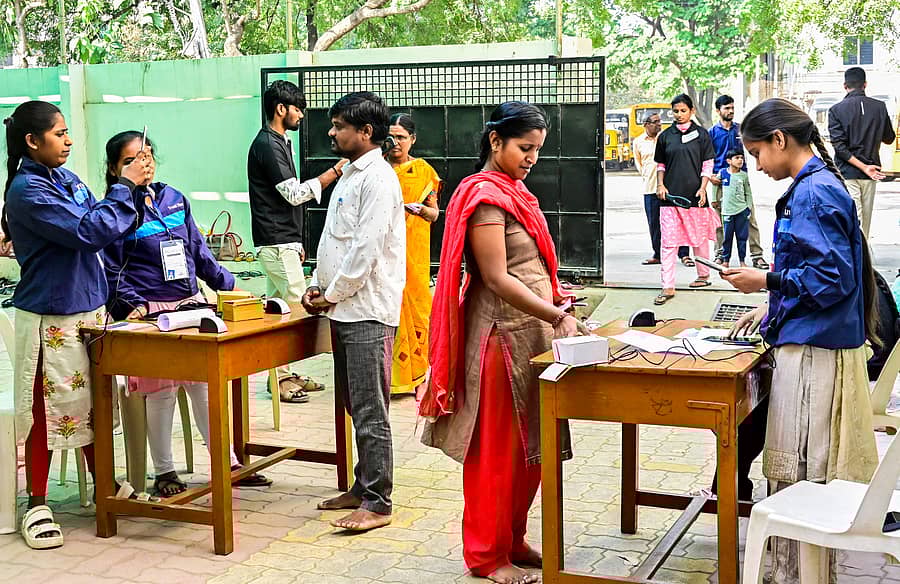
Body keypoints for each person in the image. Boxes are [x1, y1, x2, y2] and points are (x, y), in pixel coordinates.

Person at [420, 101, 589, 584]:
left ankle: (512, 539)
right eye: (524, 147)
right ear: (496, 142)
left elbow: (530, 269)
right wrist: (555, 311)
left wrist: (558, 298)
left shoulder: (517, 193)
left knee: (531, 448)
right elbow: (495, 277)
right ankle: (487, 556)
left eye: (537, 149)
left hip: (532, 334)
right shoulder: (486, 197)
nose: (532, 157)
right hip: (498, 336)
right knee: (496, 452)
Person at [723, 97, 880, 584]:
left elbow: (832, 281)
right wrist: (773, 303)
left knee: (800, 472)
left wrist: (766, 282)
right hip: (812, 340)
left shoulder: (814, 193)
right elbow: (819, 275)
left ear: (779, 140)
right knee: (802, 468)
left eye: (758, 154)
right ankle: (803, 571)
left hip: (816, 351)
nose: (759, 165)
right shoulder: (815, 188)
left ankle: (795, 575)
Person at [2, 101, 152, 549]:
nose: (69, 141)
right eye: (60, 133)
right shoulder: (28, 191)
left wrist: (131, 191)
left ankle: (105, 485)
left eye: (68, 133)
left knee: (94, 405)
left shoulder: (67, 179)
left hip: (90, 308)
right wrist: (123, 187)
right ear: (32, 141)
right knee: (47, 413)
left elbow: (104, 227)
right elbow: (87, 231)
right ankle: (37, 503)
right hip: (52, 313)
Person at [103, 130, 270, 496]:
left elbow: (198, 250)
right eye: (131, 159)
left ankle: (228, 465)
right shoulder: (115, 210)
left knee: (204, 385)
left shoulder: (173, 198)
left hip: (192, 305)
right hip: (150, 313)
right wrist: (132, 306)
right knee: (160, 392)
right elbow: (110, 267)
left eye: (146, 154)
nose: (142, 162)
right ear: (115, 169)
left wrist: (228, 285)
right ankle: (165, 472)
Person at [303, 91, 405, 533]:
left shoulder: (378, 179)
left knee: (369, 407)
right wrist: (316, 284)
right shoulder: (349, 175)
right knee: (353, 401)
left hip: (365, 309)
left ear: (365, 132)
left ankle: (378, 501)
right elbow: (334, 242)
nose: (331, 131)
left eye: (340, 125)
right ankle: (363, 486)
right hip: (343, 308)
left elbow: (365, 250)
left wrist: (332, 294)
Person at [248, 79, 337, 403]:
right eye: (297, 109)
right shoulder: (268, 144)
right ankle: (282, 377)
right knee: (298, 305)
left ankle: (283, 374)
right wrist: (332, 174)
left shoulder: (280, 142)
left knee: (278, 312)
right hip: (274, 240)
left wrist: (298, 241)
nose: (301, 115)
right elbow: (294, 193)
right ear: (281, 109)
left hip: (282, 240)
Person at [384, 113, 441, 394]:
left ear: (413, 140)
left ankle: (419, 376)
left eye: (401, 137)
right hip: (383, 255)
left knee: (418, 311)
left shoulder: (423, 171)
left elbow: (434, 213)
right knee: (388, 310)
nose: (395, 143)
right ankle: (392, 379)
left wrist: (422, 210)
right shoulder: (376, 169)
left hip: (414, 254)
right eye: (391, 137)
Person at [652, 93, 719, 305]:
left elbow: (708, 164)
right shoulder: (665, 136)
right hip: (670, 198)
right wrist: (660, 185)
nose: (679, 115)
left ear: (692, 111)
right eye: (675, 111)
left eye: (683, 111)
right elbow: (660, 165)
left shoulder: (702, 134)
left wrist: (703, 188)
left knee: (699, 239)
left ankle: (703, 276)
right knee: (669, 243)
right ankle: (668, 286)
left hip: (695, 197)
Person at [827, 66, 896, 237]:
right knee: (865, 222)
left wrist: (861, 166)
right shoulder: (880, 107)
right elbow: (889, 138)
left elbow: (839, 147)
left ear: (845, 86)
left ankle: (858, 260)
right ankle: (863, 260)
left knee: (854, 220)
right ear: (865, 84)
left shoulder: (836, 110)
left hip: (847, 172)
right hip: (872, 172)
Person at [708, 95, 768, 269]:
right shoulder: (711, 133)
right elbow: (705, 158)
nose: (731, 111)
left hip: (741, 180)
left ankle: (757, 255)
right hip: (720, 182)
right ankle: (720, 255)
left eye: (732, 108)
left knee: (749, 217)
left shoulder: (741, 130)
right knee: (720, 220)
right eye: (726, 108)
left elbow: (756, 149)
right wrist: (710, 176)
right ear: (718, 111)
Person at [633, 113, 689, 266]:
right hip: (650, 188)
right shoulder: (638, 142)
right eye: (655, 122)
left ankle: (684, 254)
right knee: (654, 223)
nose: (659, 124)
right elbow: (639, 164)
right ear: (646, 124)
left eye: (660, 122)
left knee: (678, 222)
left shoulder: (667, 138)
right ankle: (658, 254)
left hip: (671, 188)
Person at [718, 149, 753, 267]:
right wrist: (714, 200)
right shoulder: (723, 173)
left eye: (742, 158)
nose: (740, 160)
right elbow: (715, 185)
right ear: (729, 161)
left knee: (742, 237)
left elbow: (748, 193)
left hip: (741, 211)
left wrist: (748, 208)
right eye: (737, 158)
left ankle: (742, 261)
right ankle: (725, 260)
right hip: (727, 211)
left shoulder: (744, 176)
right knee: (727, 238)